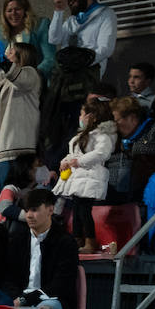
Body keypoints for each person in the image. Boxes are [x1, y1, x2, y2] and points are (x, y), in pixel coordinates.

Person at [3, 188, 79, 309]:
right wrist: (16, 297)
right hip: (19, 297)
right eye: (27, 210)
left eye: (35, 210)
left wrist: (26, 299)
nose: (29, 215)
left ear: (50, 209)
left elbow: (61, 284)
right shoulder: (17, 239)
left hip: (52, 298)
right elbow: (8, 277)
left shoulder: (65, 242)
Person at [52, 98, 117, 252]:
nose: (80, 118)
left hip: (90, 178)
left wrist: (79, 161)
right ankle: (77, 240)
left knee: (84, 211)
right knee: (77, 210)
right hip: (77, 179)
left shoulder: (102, 136)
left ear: (91, 116)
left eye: (82, 114)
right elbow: (72, 154)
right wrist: (65, 162)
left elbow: (101, 153)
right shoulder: (81, 135)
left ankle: (90, 242)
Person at [0, 42, 42, 183]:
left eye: (11, 52)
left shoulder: (31, 74)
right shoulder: (5, 78)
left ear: (22, 55)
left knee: (8, 187)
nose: (7, 54)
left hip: (13, 146)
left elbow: (17, 76)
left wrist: (1, 60)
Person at [47, 0, 118, 78]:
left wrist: (81, 61)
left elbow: (106, 49)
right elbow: (53, 39)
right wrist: (59, 10)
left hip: (89, 75)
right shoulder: (71, 21)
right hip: (67, 76)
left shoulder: (105, 14)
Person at [110, 96, 155, 203]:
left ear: (132, 118)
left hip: (153, 196)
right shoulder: (117, 139)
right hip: (126, 198)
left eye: (117, 121)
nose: (115, 126)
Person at [0, 0, 56, 79]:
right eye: (9, 11)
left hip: (37, 81)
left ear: (25, 11)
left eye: (17, 9)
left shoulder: (40, 26)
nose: (13, 13)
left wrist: (32, 76)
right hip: (8, 83)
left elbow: (50, 58)